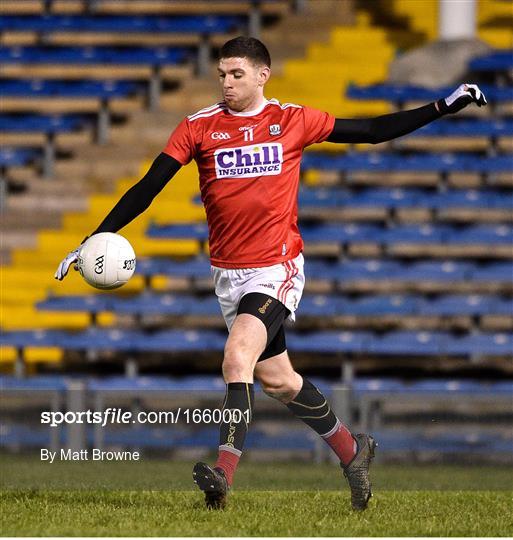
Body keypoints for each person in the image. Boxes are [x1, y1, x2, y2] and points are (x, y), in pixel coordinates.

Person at [55, 36, 487, 511]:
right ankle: (353, 449)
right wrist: (91, 240)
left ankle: (222, 474)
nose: (226, 83)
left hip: (276, 267)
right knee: (279, 380)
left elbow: (370, 130)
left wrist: (442, 106)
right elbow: (147, 188)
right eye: (222, 74)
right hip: (228, 275)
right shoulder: (199, 127)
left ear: (263, 75)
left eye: (236, 74)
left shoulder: (291, 120)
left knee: (237, 357)